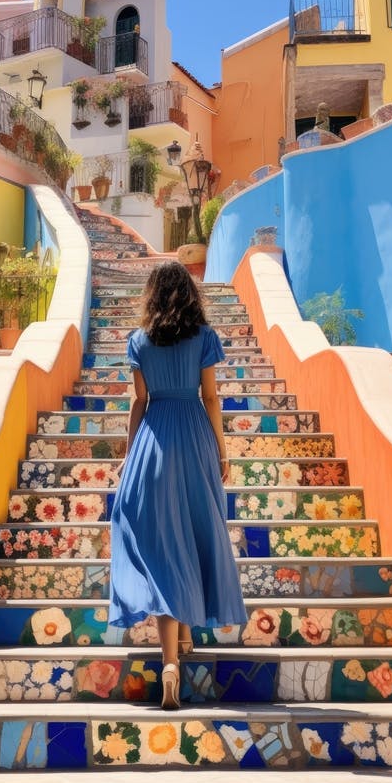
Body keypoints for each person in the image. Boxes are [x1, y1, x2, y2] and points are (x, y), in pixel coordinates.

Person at [108, 261, 247, 709]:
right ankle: (180, 645)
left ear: (151, 295)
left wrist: (129, 453)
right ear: (190, 294)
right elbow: (211, 397)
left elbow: (139, 401)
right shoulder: (204, 337)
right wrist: (222, 451)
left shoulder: (138, 341)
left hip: (153, 440)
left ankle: (171, 659)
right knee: (193, 534)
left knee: (163, 544)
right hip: (195, 438)